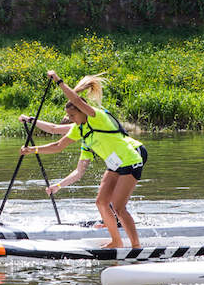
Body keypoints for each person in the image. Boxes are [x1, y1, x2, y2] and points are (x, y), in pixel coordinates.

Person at [19, 71, 145, 248]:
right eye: (69, 117)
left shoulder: (97, 117)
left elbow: (77, 101)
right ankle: (116, 241)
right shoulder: (79, 130)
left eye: (72, 116)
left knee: (118, 207)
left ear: (82, 111)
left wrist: (59, 81)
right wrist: (33, 150)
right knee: (101, 202)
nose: (70, 120)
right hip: (115, 165)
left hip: (131, 161)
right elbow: (58, 145)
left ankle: (136, 246)